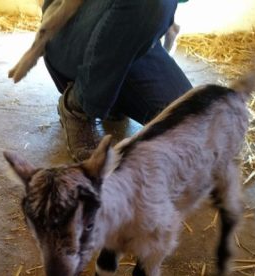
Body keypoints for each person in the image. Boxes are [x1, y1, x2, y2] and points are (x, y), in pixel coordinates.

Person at [42, 0, 192, 161]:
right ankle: (79, 105)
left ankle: (109, 94)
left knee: (192, 126)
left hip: (130, 37)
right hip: (73, 28)